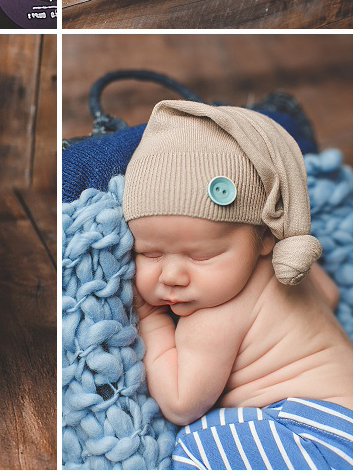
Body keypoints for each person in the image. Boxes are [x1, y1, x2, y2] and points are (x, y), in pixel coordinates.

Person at [123, 100, 352, 468]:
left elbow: (181, 403)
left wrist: (149, 318)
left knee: (198, 442)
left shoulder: (213, 318)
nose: (172, 276)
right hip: (346, 418)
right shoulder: (287, 265)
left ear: (264, 239)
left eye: (200, 257)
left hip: (310, 432)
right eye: (149, 253)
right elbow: (330, 293)